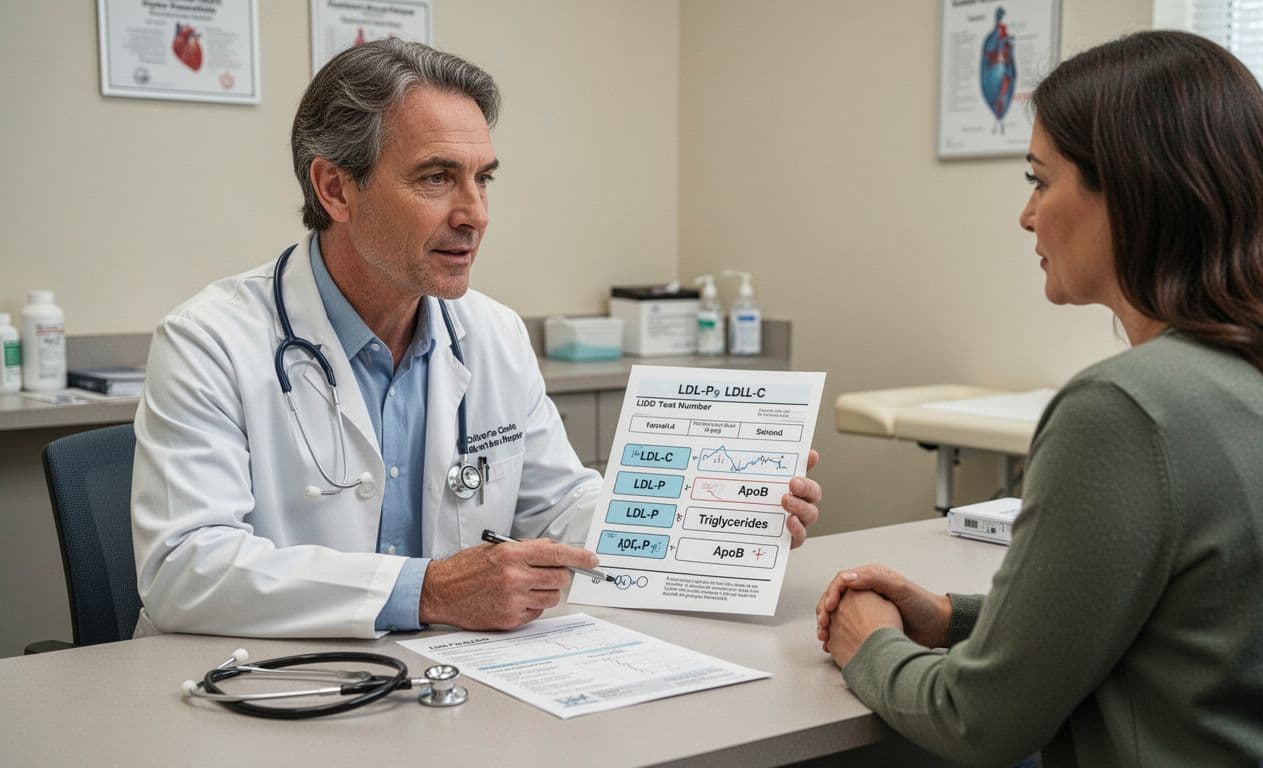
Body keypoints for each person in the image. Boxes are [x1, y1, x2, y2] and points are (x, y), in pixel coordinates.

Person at [131, 39, 822, 639]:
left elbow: (560, 509)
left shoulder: (490, 333)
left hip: (441, 686)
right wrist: (427, 592)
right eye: (437, 178)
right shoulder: (210, 342)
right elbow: (184, 567)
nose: (475, 215)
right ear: (336, 189)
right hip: (259, 693)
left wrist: (704, 515)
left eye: (482, 179)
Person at [815, 30, 1263, 767]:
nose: (1027, 215)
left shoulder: (1125, 408)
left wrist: (868, 645)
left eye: (1041, 181)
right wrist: (950, 618)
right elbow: (1186, 629)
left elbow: (977, 722)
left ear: (1131, 194)